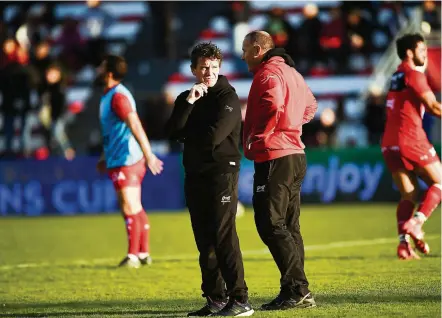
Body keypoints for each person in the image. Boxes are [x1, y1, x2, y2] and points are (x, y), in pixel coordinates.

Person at [165, 42, 253, 317]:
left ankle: (239, 299)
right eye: (204, 67)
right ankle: (215, 298)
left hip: (221, 173)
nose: (209, 72)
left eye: (214, 67)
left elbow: (212, 138)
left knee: (223, 236)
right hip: (195, 174)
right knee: (204, 240)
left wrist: (186, 136)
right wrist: (189, 103)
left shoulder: (227, 97)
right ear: (193, 69)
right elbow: (171, 132)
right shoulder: (186, 97)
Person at [241, 31, 318, 311]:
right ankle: (296, 291)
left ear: (259, 50)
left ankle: (298, 288)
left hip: (275, 155)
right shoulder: (293, 73)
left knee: (270, 223)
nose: (242, 55)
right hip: (296, 154)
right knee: (289, 225)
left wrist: (264, 134)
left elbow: (273, 104)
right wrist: (292, 126)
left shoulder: (267, 74)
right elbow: (311, 106)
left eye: (246, 49)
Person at [95, 54, 164, 268]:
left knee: (128, 205)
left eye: (101, 65)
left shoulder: (118, 97)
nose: (97, 69)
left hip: (128, 158)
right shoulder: (108, 96)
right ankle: (143, 253)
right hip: (118, 157)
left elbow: (134, 124)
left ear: (108, 72)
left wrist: (148, 153)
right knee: (133, 205)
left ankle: (133, 256)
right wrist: (104, 156)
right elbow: (113, 131)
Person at [381, 33, 441, 260]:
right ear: (409, 52)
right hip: (411, 138)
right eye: (422, 50)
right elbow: (434, 107)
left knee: (409, 193)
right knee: (440, 182)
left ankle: (403, 245)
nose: (425, 54)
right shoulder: (414, 74)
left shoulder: (396, 75)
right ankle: (416, 223)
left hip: (389, 142)